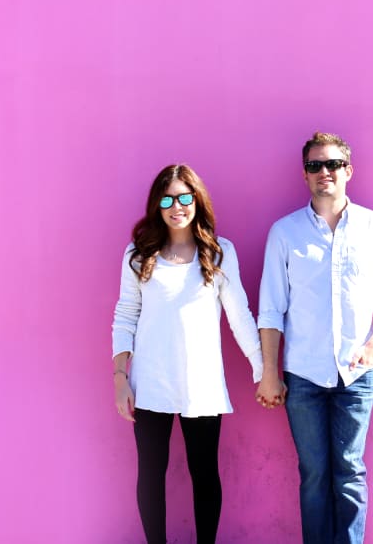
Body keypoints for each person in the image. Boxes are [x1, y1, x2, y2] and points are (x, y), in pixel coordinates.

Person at [256, 131, 373, 544]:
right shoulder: (285, 233)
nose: (325, 171)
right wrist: (270, 372)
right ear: (305, 174)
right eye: (315, 165)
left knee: (350, 471)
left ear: (348, 171)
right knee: (314, 474)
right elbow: (271, 310)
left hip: (356, 375)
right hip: (303, 375)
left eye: (333, 164)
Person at [112, 164, 263, 544]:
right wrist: (120, 378)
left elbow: (240, 316)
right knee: (151, 473)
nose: (176, 207)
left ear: (197, 200)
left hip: (202, 383)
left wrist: (263, 370)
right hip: (150, 383)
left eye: (183, 197)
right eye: (167, 200)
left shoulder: (218, 252)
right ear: (156, 205)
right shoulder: (138, 254)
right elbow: (125, 315)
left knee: (204, 473)